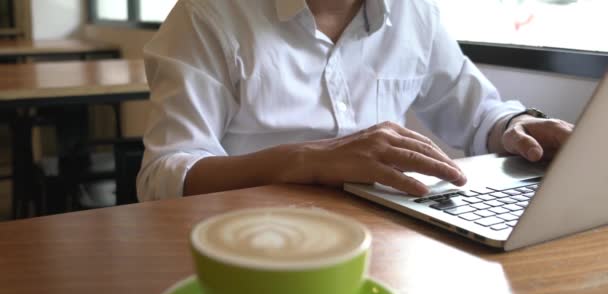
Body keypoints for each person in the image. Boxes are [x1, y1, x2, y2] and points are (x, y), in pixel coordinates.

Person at [137, 0, 573, 201]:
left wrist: (519, 125)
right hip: (251, 240)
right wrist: (305, 161)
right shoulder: (208, 15)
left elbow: (478, 115)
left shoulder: (413, 13)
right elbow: (164, 176)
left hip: (388, 234)